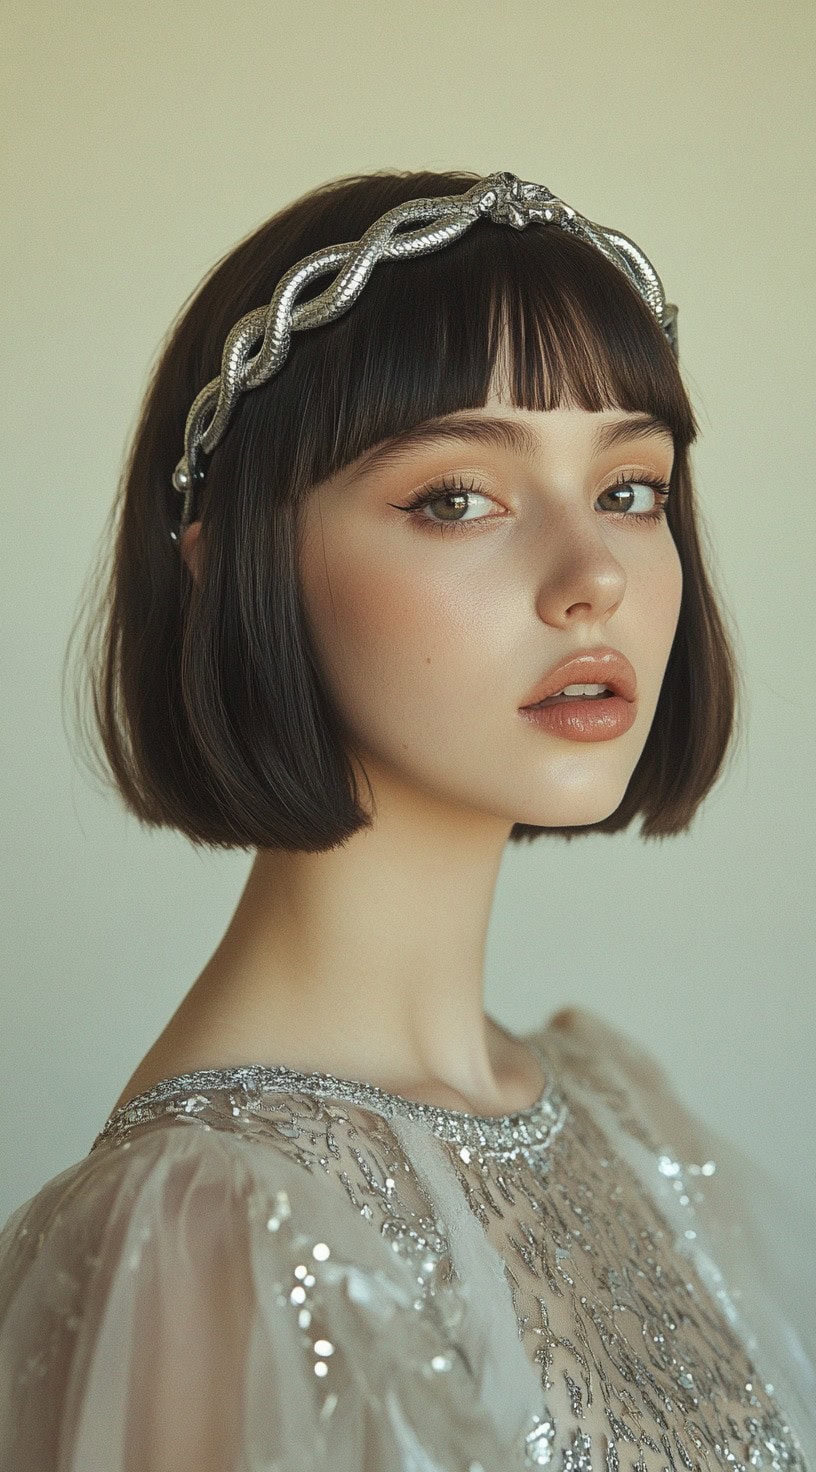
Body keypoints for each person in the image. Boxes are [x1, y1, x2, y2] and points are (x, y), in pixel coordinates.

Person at [0, 169, 813, 1470]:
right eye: (456, 497)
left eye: (630, 490)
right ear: (232, 562)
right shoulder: (208, 1238)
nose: (593, 575)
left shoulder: (617, 1115)